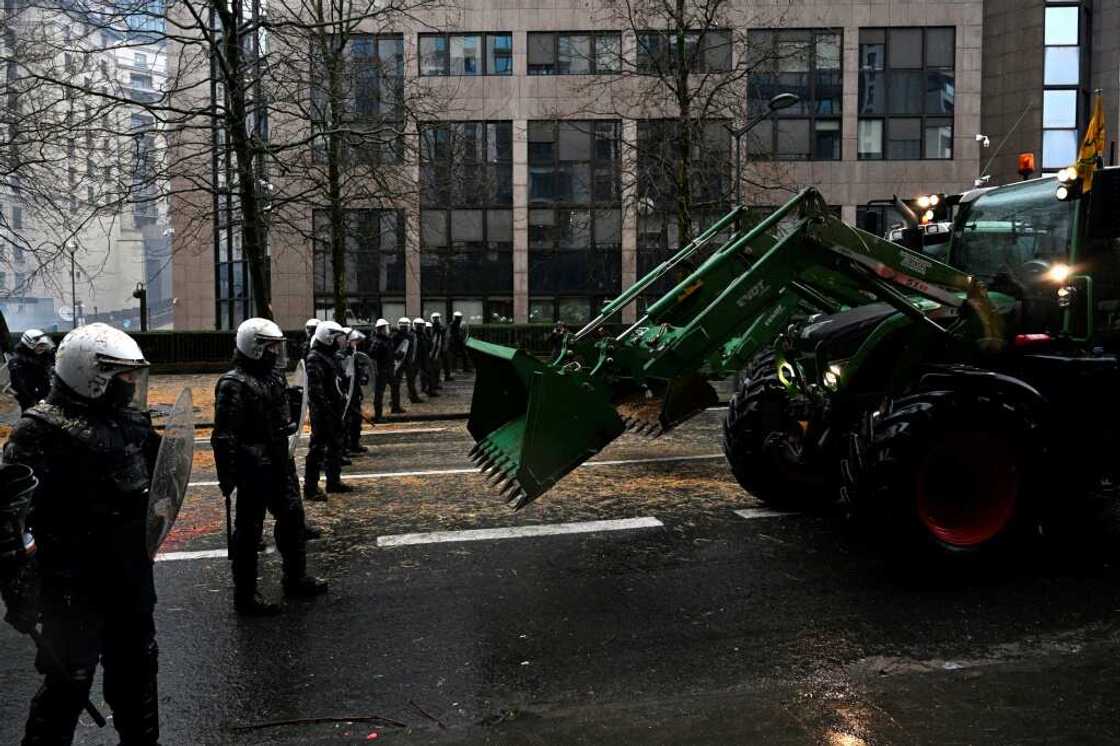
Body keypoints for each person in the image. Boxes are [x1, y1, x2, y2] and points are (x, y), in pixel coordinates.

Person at [0, 323, 162, 744]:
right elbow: (10, 521)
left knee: (138, 676)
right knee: (66, 687)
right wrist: (19, 590)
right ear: (93, 377)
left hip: (129, 575)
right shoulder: (38, 431)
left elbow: (160, 474)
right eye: (123, 376)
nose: (130, 385)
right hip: (73, 587)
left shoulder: (130, 421)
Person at [212, 318, 328, 616]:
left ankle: (295, 577)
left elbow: (279, 415)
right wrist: (228, 475)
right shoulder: (233, 383)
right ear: (254, 347)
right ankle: (246, 595)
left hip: (279, 458)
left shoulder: (273, 377)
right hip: (253, 466)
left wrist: (292, 400)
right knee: (249, 530)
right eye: (271, 347)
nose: (276, 353)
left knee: (292, 518)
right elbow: (224, 436)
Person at [303, 320, 352, 500]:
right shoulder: (315, 357)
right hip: (322, 411)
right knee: (317, 449)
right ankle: (311, 487)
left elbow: (337, 381)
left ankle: (333, 481)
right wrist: (328, 409)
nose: (341, 341)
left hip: (334, 409)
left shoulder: (331, 356)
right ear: (329, 338)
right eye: (338, 338)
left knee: (335, 446)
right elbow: (316, 389)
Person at [7, 329, 54, 412]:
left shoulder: (44, 357)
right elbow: (21, 387)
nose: (43, 348)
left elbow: (47, 378)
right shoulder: (17, 363)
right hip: (30, 400)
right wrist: (38, 401)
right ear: (29, 344)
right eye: (40, 345)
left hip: (45, 397)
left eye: (44, 345)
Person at [343, 328, 369, 454]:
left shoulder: (353, 354)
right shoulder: (342, 355)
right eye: (353, 341)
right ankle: (346, 445)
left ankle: (354, 443)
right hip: (346, 393)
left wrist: (364, 376)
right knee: (347, 421)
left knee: (356, 419)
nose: (355, 344)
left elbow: (357, 372)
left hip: (354, 391)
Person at [368, 319, 394, 420]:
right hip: (381, 371)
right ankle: (378, 415)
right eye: (385, 328)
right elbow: (372, 358)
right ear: (381, 329)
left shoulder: (386, 340)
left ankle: (394, 407)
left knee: (393, 387)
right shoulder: (377, 342)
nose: (387, 330)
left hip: (387, 369)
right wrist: (376, 371)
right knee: (379, 394)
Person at [391, 317, 417, 408]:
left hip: (406, 361)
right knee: (397, 383)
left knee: (410, 381)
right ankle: (394, 402)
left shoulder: (409, 336)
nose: (404, 328)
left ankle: (413, 396)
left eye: (405, 327)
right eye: (403, 327)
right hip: (399, 362)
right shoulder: (396, 336)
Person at [411, 317, 434, 399]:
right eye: (418, 326)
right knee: (413, 378)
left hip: (424, 358)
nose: (420, 327)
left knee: (427, 374)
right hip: (415, 359)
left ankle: (427, 390)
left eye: (421, 325)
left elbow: (429, 346)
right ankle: (413, 394)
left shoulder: (423, 335)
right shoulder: (413, 335)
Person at [430, 312, 451, 382]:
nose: (436, 320)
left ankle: (445, 376)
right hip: (436, 348)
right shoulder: (432, 327)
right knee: (437, 364)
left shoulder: (441, 327)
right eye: (435, 318)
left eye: (437, 318)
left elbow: (445, 337)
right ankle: (437, 378)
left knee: (444, 363)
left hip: (441, 347)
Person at [423, 321, 441, 397]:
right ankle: (429, 389)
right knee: (429, 374)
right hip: (426, 358)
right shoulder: (425, 337)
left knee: (430, 374)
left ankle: (429, 388)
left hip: (427, 358)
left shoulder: (428, 336)